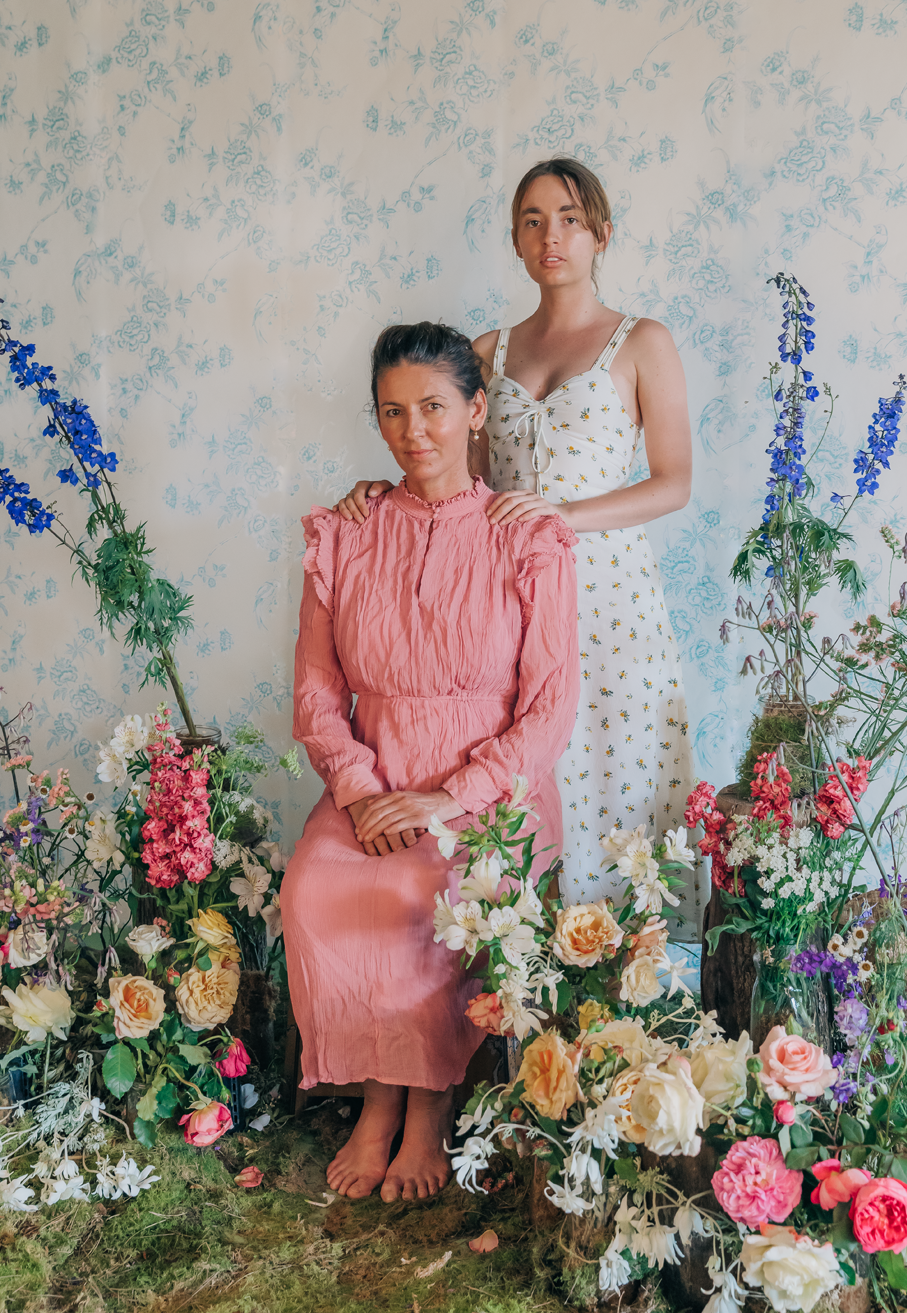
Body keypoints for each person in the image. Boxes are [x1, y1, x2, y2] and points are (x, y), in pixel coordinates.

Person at [338, 159, 697, 924]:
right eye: (532, 220)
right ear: (514, 239)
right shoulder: (488, 351)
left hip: (610, 598)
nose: (551, 236)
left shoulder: (643, 342)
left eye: (568, 218)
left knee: (619, 782)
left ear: (601, 232)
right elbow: (451, 475)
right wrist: (379, 492)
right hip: (512, 607)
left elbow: (673, 483)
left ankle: (629, 994)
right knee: (529, 784)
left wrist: (562, 516)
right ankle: (528, 985)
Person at [283, 321, 579, 1204]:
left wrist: (449, 798)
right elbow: (314, 690)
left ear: (475, 410)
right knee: (316, 886)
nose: (415, 431)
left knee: (427, 894)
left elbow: (550, 706)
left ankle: (428, 1111)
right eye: (394, 412)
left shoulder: (525, 536)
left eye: (436, 408)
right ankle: (378, 1100)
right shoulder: (344, 533)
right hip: (374, 778)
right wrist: (365, 790)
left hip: (489, 787)